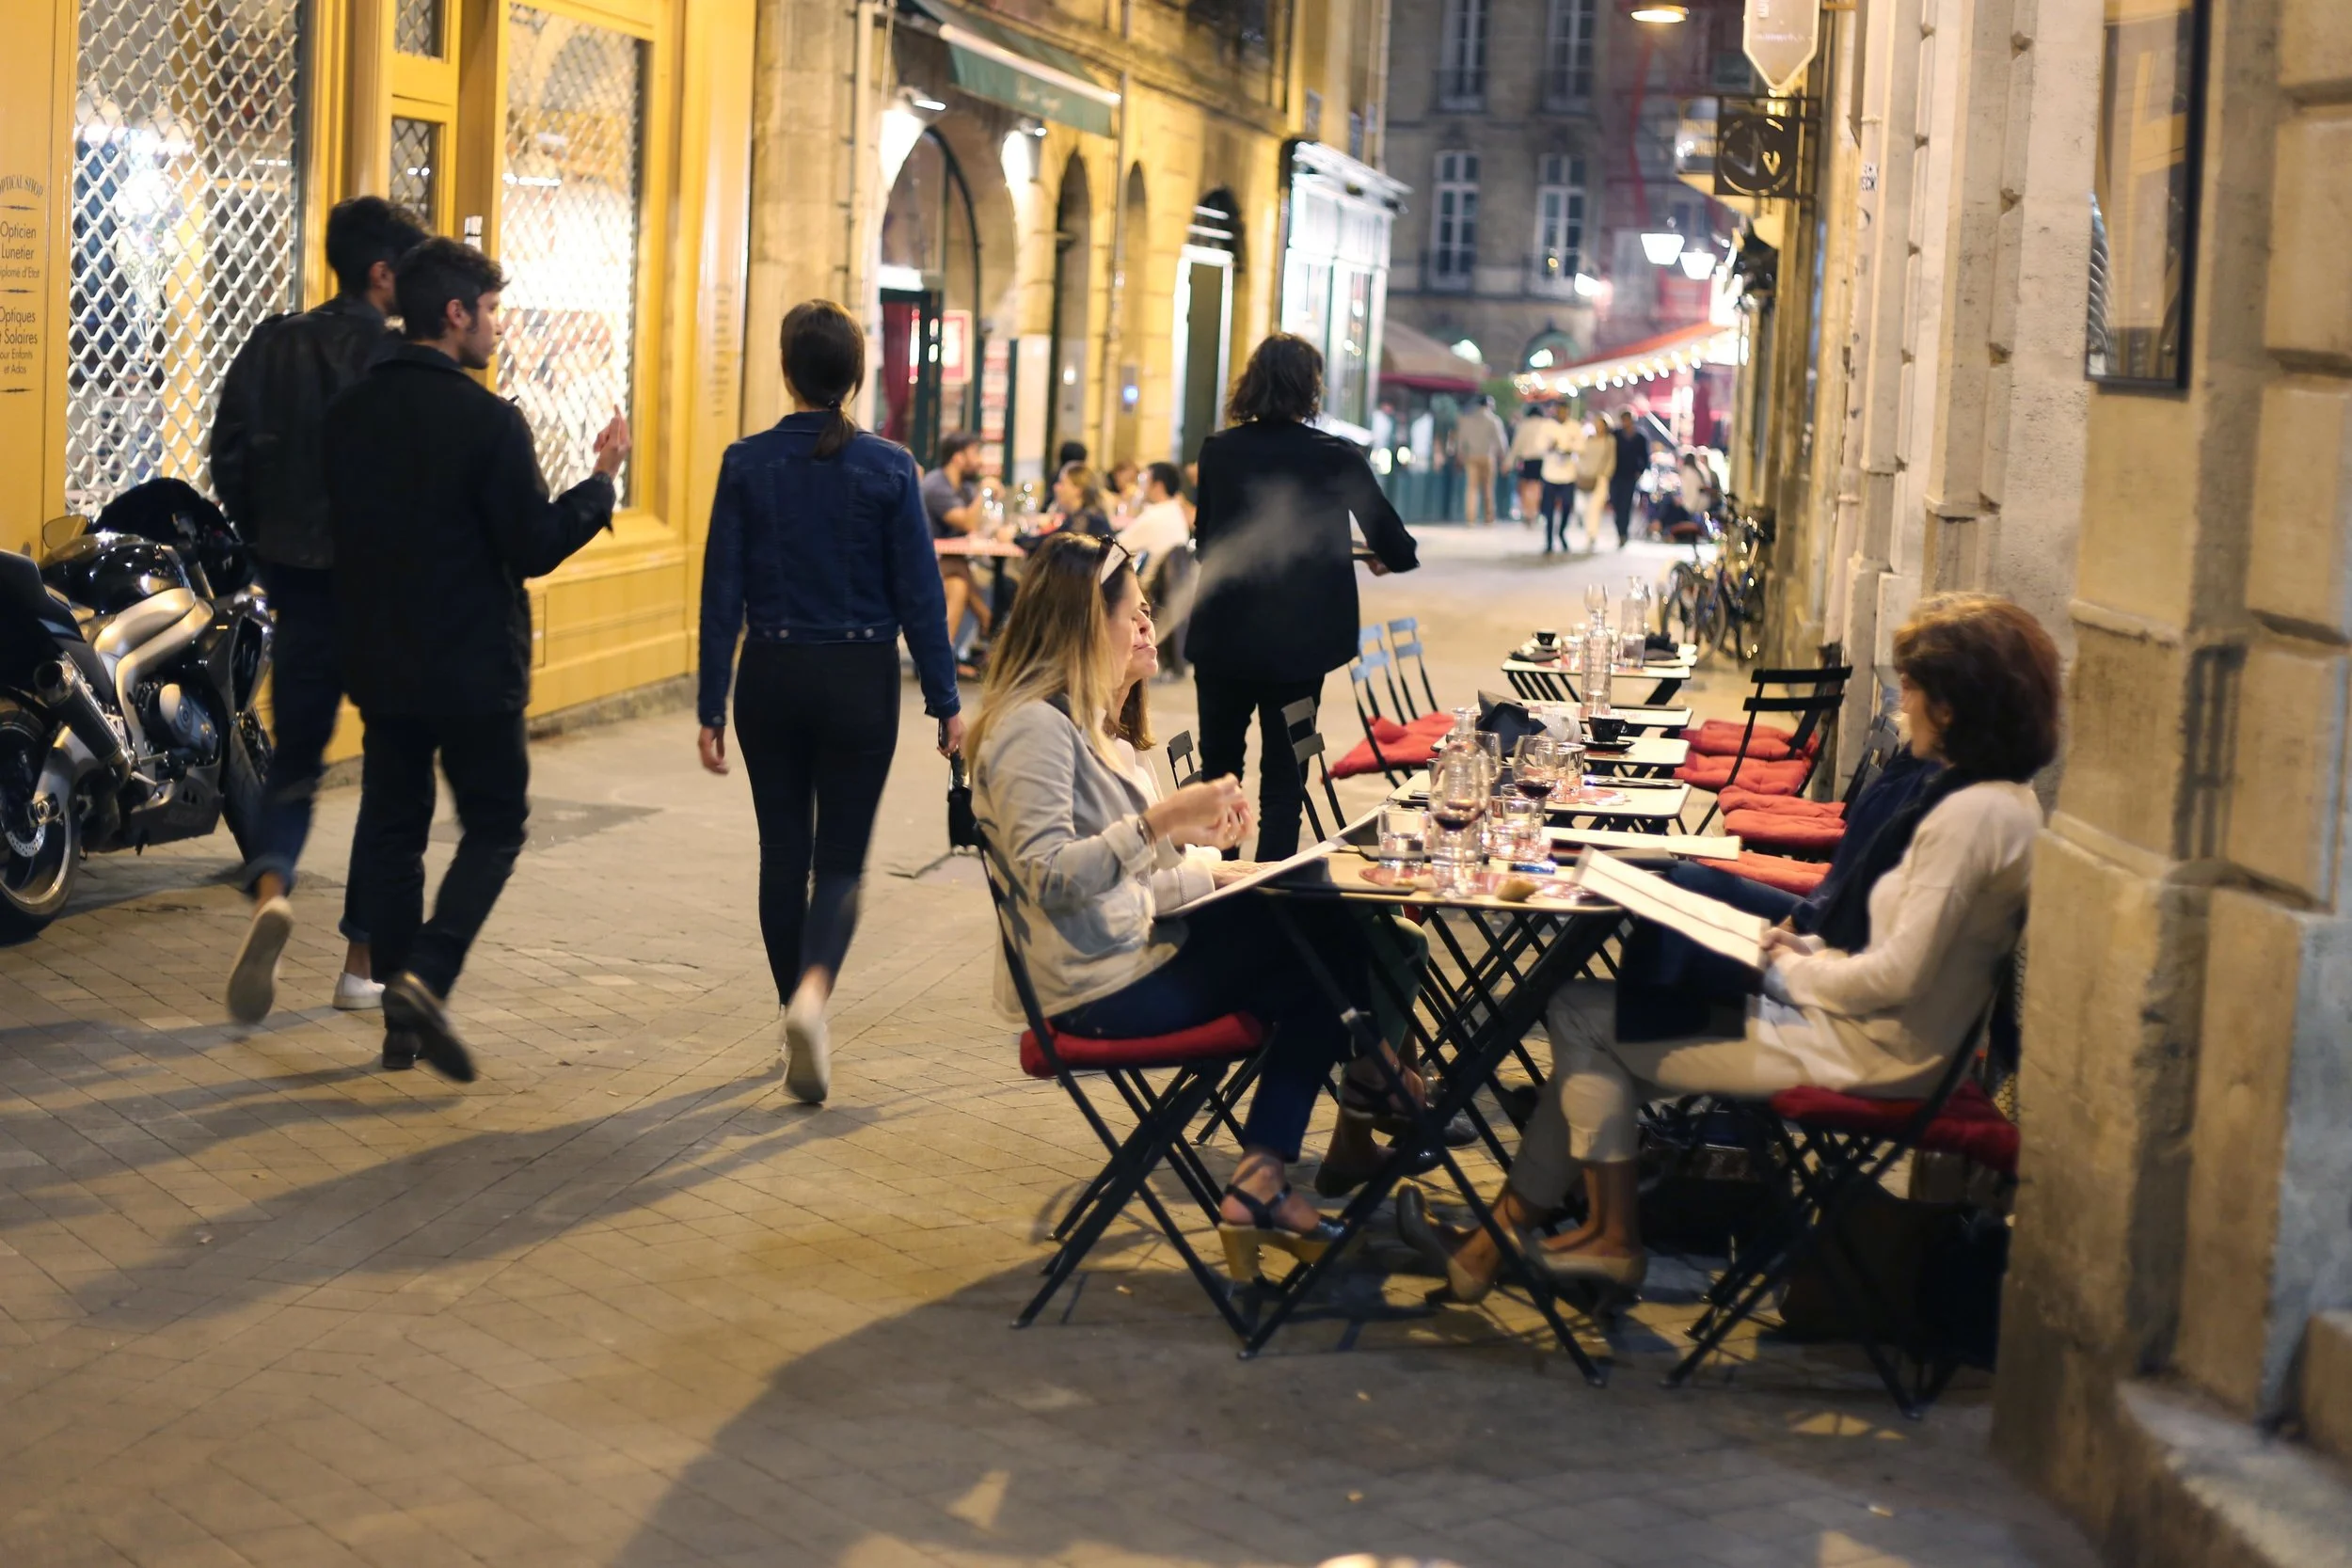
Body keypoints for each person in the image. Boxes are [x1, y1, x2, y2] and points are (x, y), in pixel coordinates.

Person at [1399, 594, 2060, 1303]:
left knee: (1584, 1017)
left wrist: (1784, 967)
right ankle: (1493, 1248)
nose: (1905, 705)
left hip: (1863, 1055)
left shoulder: (1966, 817)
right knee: (1594, 1034)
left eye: (1916, 689)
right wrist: (1801, 949)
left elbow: (1895, 975)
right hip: (1883, 1044)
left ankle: (1607, 1240)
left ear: (1954, 705)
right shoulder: (2005, 802)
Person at [970, 533, 1404, 1265]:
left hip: (1130, 953)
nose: (1148, 628)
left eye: (1149, 613)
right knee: (1325, 945)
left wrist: (1211, 859)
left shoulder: (1098, 729)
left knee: (1325, 934)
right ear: (1081, 622)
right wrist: (1162, 824)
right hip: (1088, 989)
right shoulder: (1032, 730)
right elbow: (1049, 878)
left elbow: (1134, 880)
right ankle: (1358, 1105)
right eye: (1132, 614)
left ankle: (1280, 1163)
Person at [325, 237, 627, 1082]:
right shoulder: (488, 421)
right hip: (472, 670)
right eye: (490, 309)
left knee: (392, 830)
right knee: (494, 826)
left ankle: (397, 1018)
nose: (497, 325)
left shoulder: (348, 415)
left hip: (381, 661)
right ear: (455, 314)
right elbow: (530, 545)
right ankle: (426, 975)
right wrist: (600, 482)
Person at [698, 300, 963, 1105]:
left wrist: (712, 702)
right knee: (839, 862)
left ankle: (789, 1005)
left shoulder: (745, 462)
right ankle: (815, 994)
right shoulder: (889, 468)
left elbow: (721, 594)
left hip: (771, 675)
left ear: (786, 369)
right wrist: (947, 699)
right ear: (854, 376)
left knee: (782, 854)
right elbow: (922, 596)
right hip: (858, 679)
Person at [213, 196, 427, 1026]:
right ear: (383, 274)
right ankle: (360, 962)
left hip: (296, 583)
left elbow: (228, 454)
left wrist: (266, 549)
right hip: (379, 595)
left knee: (296, 757)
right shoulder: (397, 360)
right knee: (389, 771)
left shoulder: (272, 343)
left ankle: (271, 883)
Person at [1187, 334, 1419, 860]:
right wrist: (1374, 555)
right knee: (1285, 779)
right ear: (1310, 388)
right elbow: (1394, 543)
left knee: (1219, 772)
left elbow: (1206, 543)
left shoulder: (1219, 451)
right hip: (1300, 641)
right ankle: (1270, 895)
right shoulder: (1335, 456)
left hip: (1224, 634)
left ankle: (1216, 889)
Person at [922, 431, 989, 673]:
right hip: (921, 563)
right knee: (958, 566)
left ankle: (940, 662)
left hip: (947, 565)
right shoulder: (936, 485)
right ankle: (986, 620)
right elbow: (969, 523)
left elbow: (982, 525)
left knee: (960, 585)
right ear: (958, 457)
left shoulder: (965, 487)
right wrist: (985, 493)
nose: (980, 460)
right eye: (975, 453)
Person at [1451, 394, 1509, 527]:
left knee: (1471, 488)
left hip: (1471, 456)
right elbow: (1501, 441)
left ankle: (1470, 518)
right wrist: (1504, 456)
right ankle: (1489, 517)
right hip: (1488, 457)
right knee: (1488, 488)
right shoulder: (1494, 420)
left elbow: (1461, 440)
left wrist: (1460, 454)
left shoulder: (1467, 419)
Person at [1536, 404, 1581, 555]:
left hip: (1568, 474)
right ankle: (1548, 541)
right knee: (1549, 510)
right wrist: (1551, 446)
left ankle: (1561, 532)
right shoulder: (1547, 426)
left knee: (1567, 507)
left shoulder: (1575, 427)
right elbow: (1539, 446)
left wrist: (1570, 448)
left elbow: (1581, 446)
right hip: (1550, 474)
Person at [1574, 413, 1617, 550]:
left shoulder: (1609, 441)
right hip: (1585, 476)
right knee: (1583, 507)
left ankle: (1592, 534)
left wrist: (1605, 474)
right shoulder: (1588, 439)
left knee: (1594, 508)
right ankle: (1588, 530)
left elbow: (1611, 459)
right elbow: (1580, 455)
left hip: (1600, 479)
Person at [1609, 409, 1650, 548]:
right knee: (1615, 504)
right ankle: (1620, 529)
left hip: (1630, 476)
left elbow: (1645, 457)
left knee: (1626, 505)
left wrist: (1640, 471)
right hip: (1615, 475)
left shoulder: (1640, 437)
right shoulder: (1616, 435)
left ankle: (1623, 533)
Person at [1508, 404, 1555, 526]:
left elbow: (1517, 445)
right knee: (1537, 487)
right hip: (1541, 459)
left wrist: (1509, 462)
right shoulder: (1546, 425)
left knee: (1526, 487)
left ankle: (1528, 512)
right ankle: (1533, 512)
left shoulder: (1524, 426)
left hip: (1527, 459)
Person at [1050, 463, 1114, 540]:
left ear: (1077, 490)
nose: (1055, 487)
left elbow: (1055, 541)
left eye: (1062, 483)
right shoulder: (1081, 516)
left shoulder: (1088, 521)